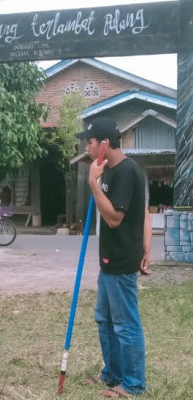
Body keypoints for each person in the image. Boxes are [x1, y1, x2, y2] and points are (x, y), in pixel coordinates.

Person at [76, 117, 152, 398]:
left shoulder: (126, 172)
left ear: (105, 143)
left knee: (125, 324)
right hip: (108, 260)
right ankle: (113, 374)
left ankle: (132, 384)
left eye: (90, 141)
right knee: (104, 319)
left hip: (121, 261)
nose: (87, 146)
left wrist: (93, 184)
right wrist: (147, 248)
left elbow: (115, 218)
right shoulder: (108, 169)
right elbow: (141, 211)